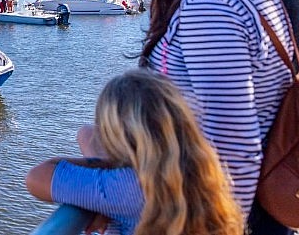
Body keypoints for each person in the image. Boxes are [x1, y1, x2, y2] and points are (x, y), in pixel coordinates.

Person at [138, 0, 295, 233]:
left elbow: (234, 144)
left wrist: (222, 225)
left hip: (231, 210)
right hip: (261, 193)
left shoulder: (209, 4)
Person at [26, 69, 243, 235]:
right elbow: (86, 133)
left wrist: (105, 167)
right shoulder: (203, 170)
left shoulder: (128, 186)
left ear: (116, 138)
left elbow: (36, 177)